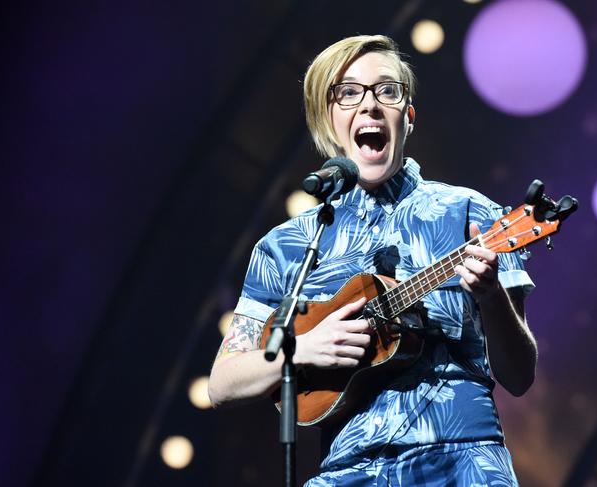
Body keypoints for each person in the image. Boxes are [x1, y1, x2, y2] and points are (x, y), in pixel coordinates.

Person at [208, 34, 537, 486]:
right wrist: (303, 348)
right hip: (346, 472)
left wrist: (491, 295)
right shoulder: (287, 245)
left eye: (387, 90)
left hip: (461, 462)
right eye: (348, 93)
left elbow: (519, 374)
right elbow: (222, 383)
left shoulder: (470, 212)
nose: (370, 105)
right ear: (329, 120)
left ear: (408, 117)